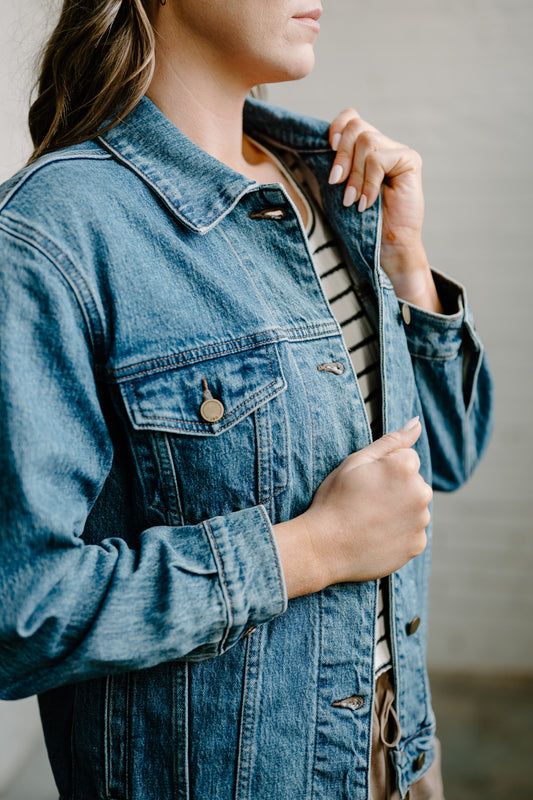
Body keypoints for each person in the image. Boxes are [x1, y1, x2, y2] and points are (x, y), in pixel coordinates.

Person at [0, 1, 493, 799]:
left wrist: (407, 262)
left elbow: (445, 459)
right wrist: (311, 551)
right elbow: (19, 616)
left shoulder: (328, 182)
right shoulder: (51, 235)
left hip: (398, 764)